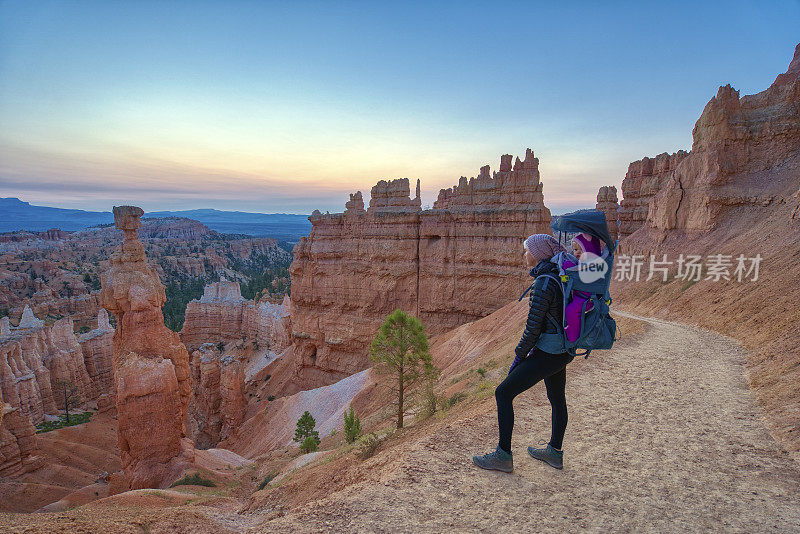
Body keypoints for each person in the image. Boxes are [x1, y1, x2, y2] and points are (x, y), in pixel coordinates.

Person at [472, 233, 575, 472]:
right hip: (564, 350)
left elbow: (533, 327)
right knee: (557, 398)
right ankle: (554, 452)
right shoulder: (559, 276)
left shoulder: (544, 282)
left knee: (503, 393)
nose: (524, 254)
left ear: (538, 255)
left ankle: (503, 455)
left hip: (549, 352)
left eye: (527, 250)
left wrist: (520, 356)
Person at [562, 232, 603, 342]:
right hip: (583, 295)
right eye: (575, 250)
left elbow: (577, 271)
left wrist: (566, 265)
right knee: (570, 310)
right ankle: (573, 329)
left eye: (581, 249)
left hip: (587, 297)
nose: (577, 252)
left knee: (572, 311)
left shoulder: (590, 263)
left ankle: (572, 336)